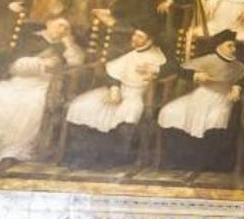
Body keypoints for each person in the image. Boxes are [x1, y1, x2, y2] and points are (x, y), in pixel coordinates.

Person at [0, 16, 84, 165]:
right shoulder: (30, 40)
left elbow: (77, 63)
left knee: (31, 105)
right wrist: (40, 63)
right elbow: (15, 67)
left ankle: (13, 151)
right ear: (48, 24)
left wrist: (69, 45)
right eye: (60, 25)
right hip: (17, 81)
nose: (63, 30)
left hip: (45, 85)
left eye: (66, 28)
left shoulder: (67, 44)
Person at [64, 24, 167, 168]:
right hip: (116, 91)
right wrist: (114, 88)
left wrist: (155, 70)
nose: (135, 39)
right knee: (81, 105)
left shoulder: (157, 56)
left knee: (127, 113)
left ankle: (110, 159)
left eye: (140, 37)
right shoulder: (128, 52)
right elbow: (112, 72)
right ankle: (82, 155)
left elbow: (171, 69)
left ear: (149, 41)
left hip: (136, 95)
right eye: (134, 35)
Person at [157, 29, 244, 171]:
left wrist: (237, 86)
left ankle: (208, 163)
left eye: (234, 46)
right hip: (200, 95)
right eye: (229, 46)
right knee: (170, 112)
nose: (233, 49)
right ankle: (182, 160)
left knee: (214, 119)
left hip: (222, 98)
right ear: (219, 46)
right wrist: (195, 75)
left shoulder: (238, 66)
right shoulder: (207, 59)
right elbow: (179, 69)